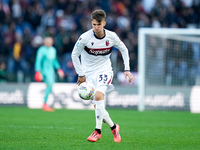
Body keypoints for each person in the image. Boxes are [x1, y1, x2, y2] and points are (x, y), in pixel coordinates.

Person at [71, 9, 133, 143]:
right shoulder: (85, 38)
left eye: (99, 24)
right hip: (88, 75)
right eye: (94, 24)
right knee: (98, 107)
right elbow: (74, 54)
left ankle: (97, 131)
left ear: (104, 23)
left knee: (99, 97)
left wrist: (127, 69)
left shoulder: (112, 36)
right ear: (91, 24)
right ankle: (113, 127)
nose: (96, 27)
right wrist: (81, 74)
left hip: (104, 71)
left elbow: (124, 49)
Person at [34, 37, 64, 112]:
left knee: (50, 85)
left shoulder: (53, 50)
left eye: (50, 41)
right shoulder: (41, 50)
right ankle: (44, 103)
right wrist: (38, 71)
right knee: (50, 84)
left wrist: (59, 69)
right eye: (47, 41)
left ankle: (45, 103)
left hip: (51, 72)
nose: (48, 42)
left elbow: (54, 61)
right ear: (44, 42)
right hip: (44, 71)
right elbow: (38, 61)